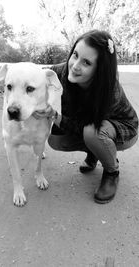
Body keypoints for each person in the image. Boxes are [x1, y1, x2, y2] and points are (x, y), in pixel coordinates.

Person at [33, 29, 138, 204]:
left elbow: (83, 128)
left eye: (87, 62)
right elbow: (36, 75)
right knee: (56, 140)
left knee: (92, 133)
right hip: (91, 126)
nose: (75, 65)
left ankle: (112, 172)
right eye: (75, 54)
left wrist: (54, 115)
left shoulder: (109, 91)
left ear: (99, 70)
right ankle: (96, 152)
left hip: (124, 130)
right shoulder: (62, 72)